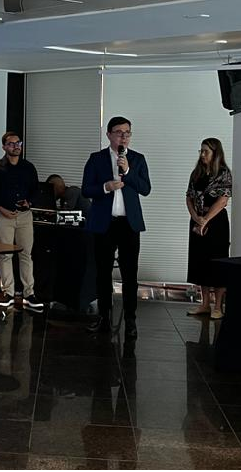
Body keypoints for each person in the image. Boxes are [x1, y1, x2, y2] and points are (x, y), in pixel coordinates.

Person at [81, 116, 151, 335]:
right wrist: (105, 187)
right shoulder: (96, 159)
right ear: (109, 134)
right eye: (119, 132)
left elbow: (146, 188)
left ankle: (130, 320)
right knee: (102, 273)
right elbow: (86, 189)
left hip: (129, 225)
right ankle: (104, 317)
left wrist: (128, 172)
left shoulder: (137, 159)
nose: (124, 137)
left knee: (130, 274)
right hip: (104, 224)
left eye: (127, 133)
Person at [0, 131, 44, 312]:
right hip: (3, 215)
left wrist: (29, 203)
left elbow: (36, 190)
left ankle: (29, 293)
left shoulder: (28, 167)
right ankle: (8, 293)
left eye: (18, 143)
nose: (16, 146)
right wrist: (1, 209)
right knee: (5, 255)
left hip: (24, 215)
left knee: (26, 254)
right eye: (11, 144)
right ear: (4, 147)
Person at [184, 138, 232, 320]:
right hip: (197, 219)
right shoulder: (196, 173)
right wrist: (197, 218)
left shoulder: (223, 173)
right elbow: (189, 197)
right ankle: (204, 304)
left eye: (206, 151)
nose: (202, 154)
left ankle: (218, 306)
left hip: (216, 221)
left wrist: (206, 219)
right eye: (201, 151)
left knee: (217, 261)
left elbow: (223, 200)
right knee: (200, 262)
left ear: (215, 153)